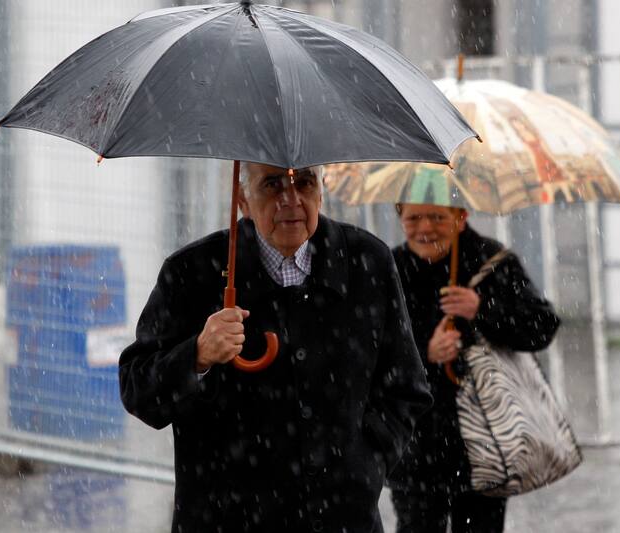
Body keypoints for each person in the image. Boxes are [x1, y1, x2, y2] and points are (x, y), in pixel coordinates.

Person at [119, 163, 433, 532]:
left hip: (339, 518)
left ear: (321, 190)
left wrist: (366, 462)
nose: (291, 199)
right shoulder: (191, 272)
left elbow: (407, 389)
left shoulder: (367, 262)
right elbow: (137, 390)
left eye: (304, 182)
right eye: (271, 184)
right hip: (225, 518)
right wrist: (197, 354)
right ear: (242, 201)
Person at [388, 203, 560, 533]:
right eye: (413, 218)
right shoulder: (389, 266)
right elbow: (369, 348)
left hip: (485, 440)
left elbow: (542, 326)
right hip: (414, 444)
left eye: (438, 217)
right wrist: (425, 353)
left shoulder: (491, 261)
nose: (425, 227)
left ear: (460, 217)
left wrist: (482, 309)